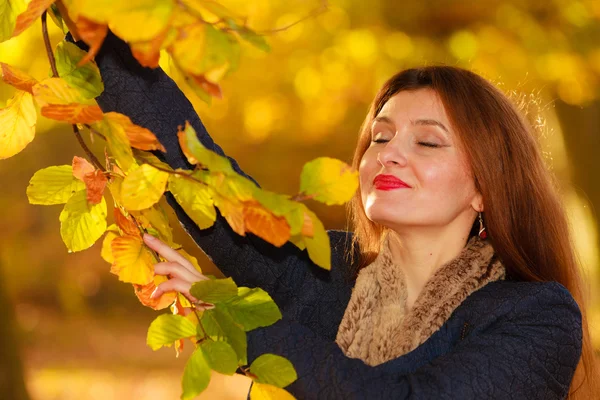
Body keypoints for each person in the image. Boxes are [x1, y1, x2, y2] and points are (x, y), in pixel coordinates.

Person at [66, 30, 598, 399]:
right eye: (381, 136)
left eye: (428, 142)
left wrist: (244, 327)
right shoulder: (326, 273)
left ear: (484, 188)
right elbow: (205, 177)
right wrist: (95, 32)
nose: (387, 152)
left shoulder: (536, 316)